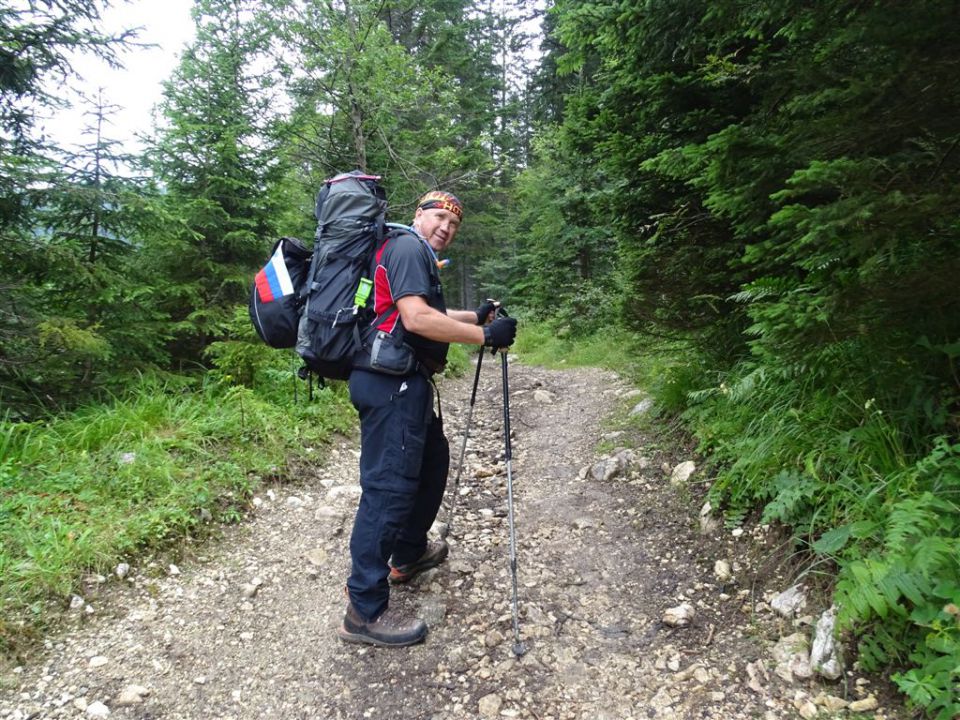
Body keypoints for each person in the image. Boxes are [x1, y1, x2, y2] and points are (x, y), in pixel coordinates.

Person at [338, 190, 518, 647]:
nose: (446, 228)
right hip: (389, 383)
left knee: (431, 463)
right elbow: (417, 320)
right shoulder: (405, 247)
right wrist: (484, 334)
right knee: (389, 489)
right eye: (439, 217)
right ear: (419, 215)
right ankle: (362, 612)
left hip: (401, 381)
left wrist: (474, 315)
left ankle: (408, 554)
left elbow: (425, 311)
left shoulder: (410, 253)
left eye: (454, 224)